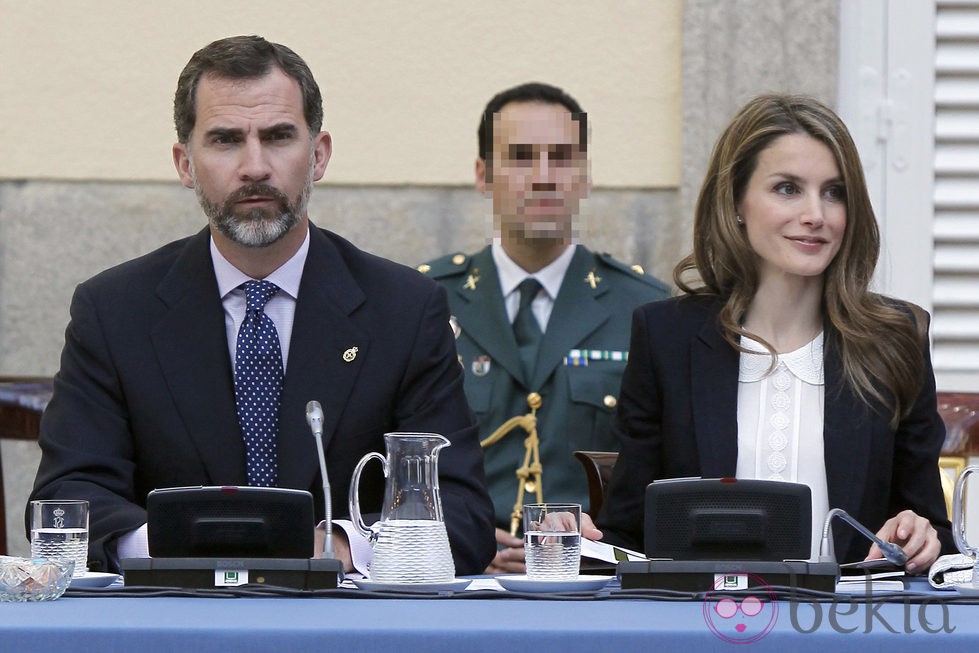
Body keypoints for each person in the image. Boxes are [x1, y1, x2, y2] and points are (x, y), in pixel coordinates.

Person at [27, 35, 495, 576]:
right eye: (226, 140)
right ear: (185, 164)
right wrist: (182, 544)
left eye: (277, 137)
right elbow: (68, 502)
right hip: (176, 621)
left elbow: (461, 514)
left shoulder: (404, 310)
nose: (255, 166)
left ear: (318, 156)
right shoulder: (114, 311)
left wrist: (336, 551)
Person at [595, 94, 955, 572]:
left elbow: (932, 532)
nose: (816, 214)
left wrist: (921, 535)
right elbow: (627, 534)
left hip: (846, 630)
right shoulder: (666, 336)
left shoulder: (895, 338)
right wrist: (584, 542)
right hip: (699, 630)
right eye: (787, 189)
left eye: (834, 192)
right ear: (737, 202)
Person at [419, 82, 668, 574]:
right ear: (483, 176)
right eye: (520, 157)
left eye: (561, 158)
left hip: (590, 585)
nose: (543, 177)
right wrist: (457, 538)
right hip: (457, 582)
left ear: (585, 177)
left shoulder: (645, 311)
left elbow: (662, 472)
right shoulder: (425, 303)